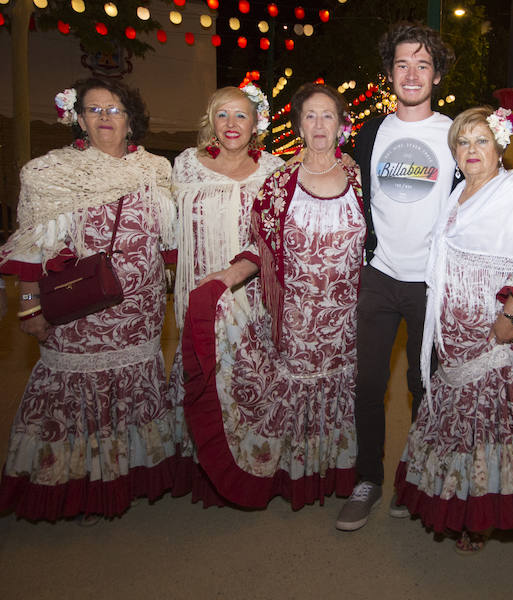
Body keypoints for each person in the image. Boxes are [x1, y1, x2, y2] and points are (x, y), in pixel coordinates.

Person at [0, 78, 181, 521]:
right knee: (72, 393)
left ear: (130, 119)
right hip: (78, 312)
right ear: (78, 118)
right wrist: (28, 306)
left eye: (115, 109)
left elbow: (172, 241)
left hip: (140, 312)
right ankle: (68, 485)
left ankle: (128, 477)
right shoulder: (49, 173)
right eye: (94, 109)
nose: (105, 117)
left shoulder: (155, 169)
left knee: (133, 389)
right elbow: (29, 247)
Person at [179, 83, 363, 509]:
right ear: (299, 124)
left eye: (328, 115)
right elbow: (259, 243)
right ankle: (297, 476)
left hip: (347, 315)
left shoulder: (357, 176)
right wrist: (224, 278)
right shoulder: (280, 182)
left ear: (341, 124)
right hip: (296, 314)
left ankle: (333, 472)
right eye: (310, 116)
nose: (319, 124)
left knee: (342, 390)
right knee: (297, 389)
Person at [394, 106, 513, 554]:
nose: (472, 150)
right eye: (463, 142)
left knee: (485, 425)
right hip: (450, 332)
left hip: (490, 332)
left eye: (482, 140)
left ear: (500, 145)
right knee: (455, 422)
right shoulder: (456, 196)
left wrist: (511, 317)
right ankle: (452, 500)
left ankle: (478, 515)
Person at [337, 22, 460, 531]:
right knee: (367, 384)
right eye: (403, 64)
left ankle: (416, 478)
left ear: (436, 75)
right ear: (390, 73)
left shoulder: (455, 133)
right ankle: (368, 478)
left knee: (422, 384)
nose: (412, 73)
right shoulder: (371, 132)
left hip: (433, 281)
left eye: (423, 64)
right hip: (379, 276)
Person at [165, 85, 282, 500]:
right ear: (210, 122)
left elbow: (278, 236)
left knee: (252, 378)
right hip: (199, 291)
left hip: (253, 296)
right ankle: (203, 469)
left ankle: (257, 464)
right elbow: (169, 229)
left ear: (256, 124)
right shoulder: (185, 166)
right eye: (222, 115)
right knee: (205, 373)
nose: (232, 124)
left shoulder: (274, 169)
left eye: (241, 116)